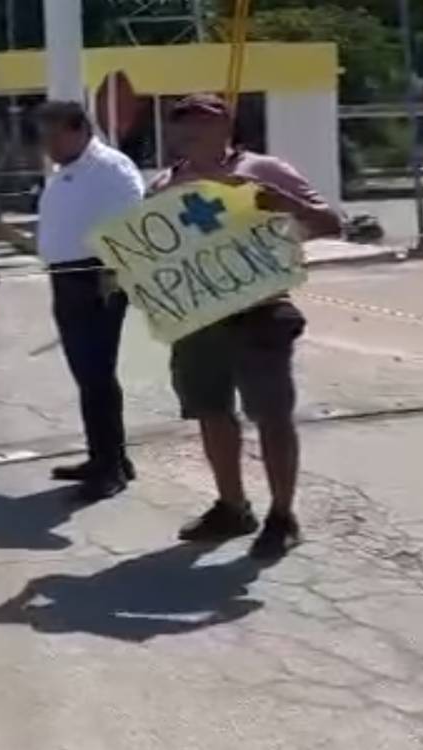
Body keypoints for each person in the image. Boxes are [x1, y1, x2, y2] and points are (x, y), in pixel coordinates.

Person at [153, 94, 342, 559]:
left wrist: (284, 203)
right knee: (211, 413)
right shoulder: (163, 187)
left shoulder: (264, 170)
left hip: (260, 312)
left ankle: (282, 515)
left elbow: (331, 224)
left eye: (202, 119)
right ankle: (232, 506)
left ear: (226, 124)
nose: (191, 129)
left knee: (272, 417)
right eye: (182, 121)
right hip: (197, 320)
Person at [35, 101, 145, 501]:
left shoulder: (110, 169)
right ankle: (106, 455)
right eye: (42, 137)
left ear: (79, 129)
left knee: (97, 375)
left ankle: (110, 467)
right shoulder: (68, 171)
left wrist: (111, 275)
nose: (46, 146)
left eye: (53, 135)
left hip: (96, 279)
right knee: (86, 376)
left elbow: (130, 222)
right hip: (67, 280)